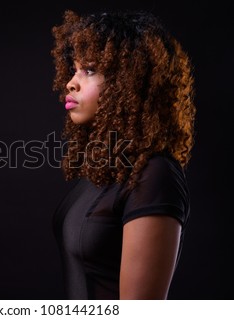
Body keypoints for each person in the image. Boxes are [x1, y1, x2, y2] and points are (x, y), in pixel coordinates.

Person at [51, 10, 195, 299]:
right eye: (74, 69)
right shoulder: (108, 167)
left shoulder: (154, 176)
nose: (71, 82)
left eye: (89, 70)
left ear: (128, 82)